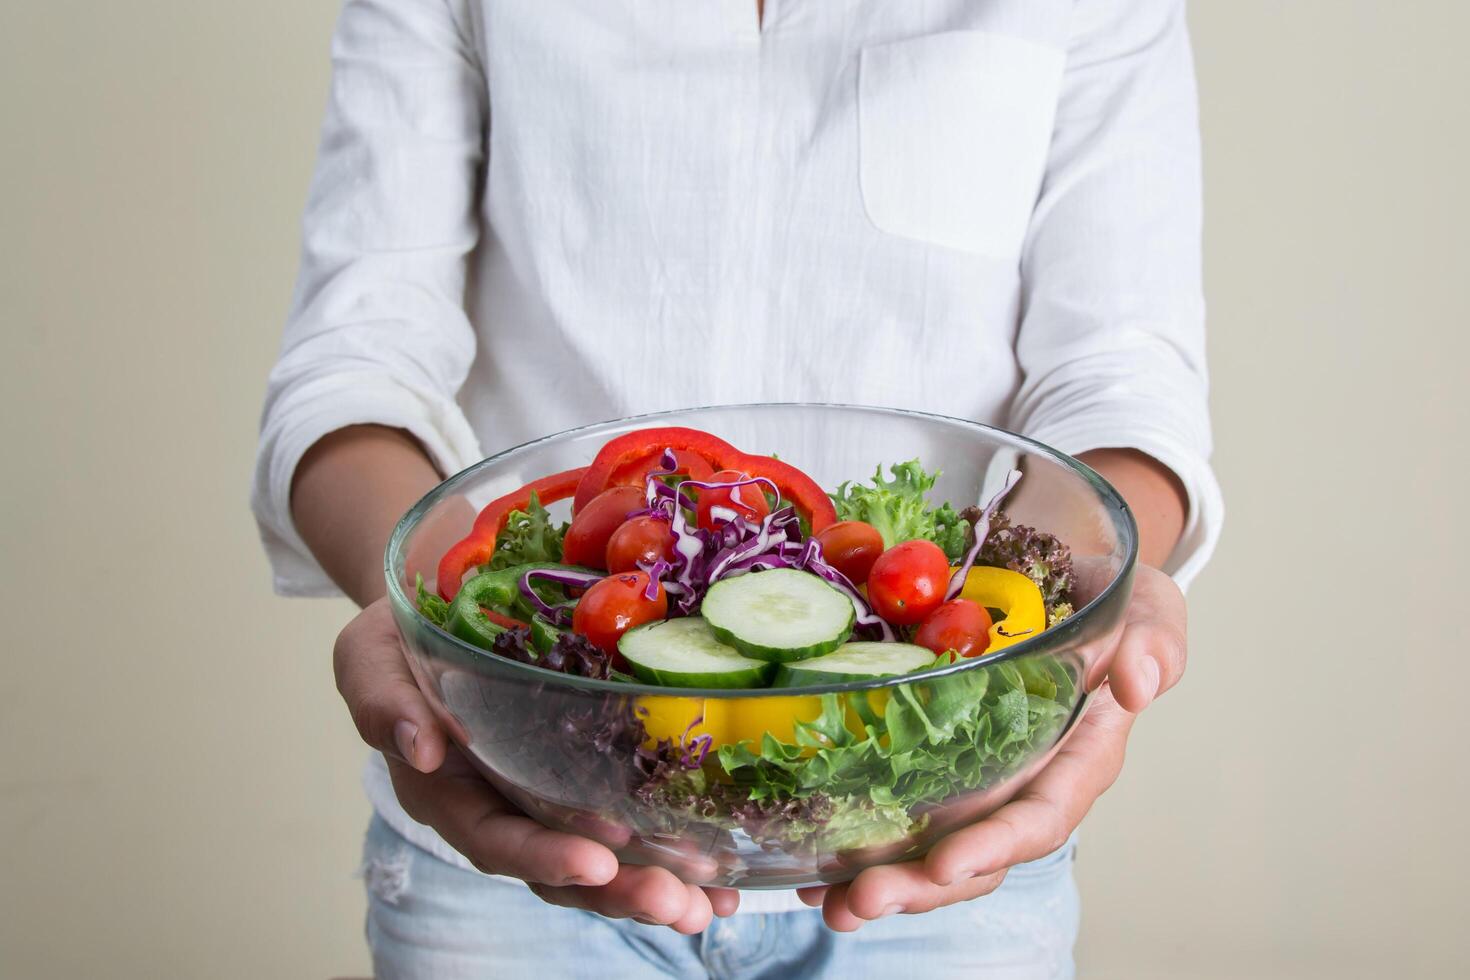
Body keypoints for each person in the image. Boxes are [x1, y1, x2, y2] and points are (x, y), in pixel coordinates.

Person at [252, 0, 1222, 976]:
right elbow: (357, 362)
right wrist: (440, 633)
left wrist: (1062, 615)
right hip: (534, 788)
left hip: (932, 825)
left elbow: (1123, 380)